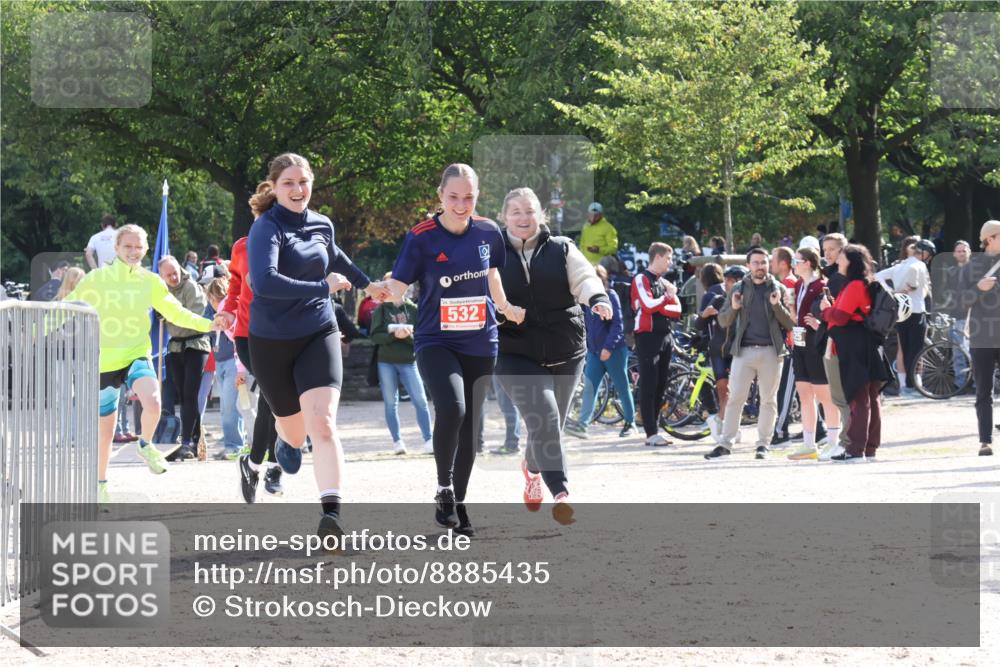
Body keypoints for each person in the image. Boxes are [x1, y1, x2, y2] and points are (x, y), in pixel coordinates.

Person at [244, 153, 387, 539]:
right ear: (274, 187)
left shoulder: (322, 223)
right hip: (271, 339)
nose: (297, 190)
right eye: (288, 183)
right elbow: (265, 283)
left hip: (318, 331)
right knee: (292, 433)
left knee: (322, 424)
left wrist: (366, 283)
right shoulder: (266, 228)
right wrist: (323, 286)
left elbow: (335, 256)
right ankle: (284, 443)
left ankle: (332, 514)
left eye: (303, 182)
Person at [385, 163, 524, 536]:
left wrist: (506, 307)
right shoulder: (421, 237)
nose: (461, 205)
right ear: (440, 196)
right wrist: (383, 287)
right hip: (436, 340)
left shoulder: (489, 232)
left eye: (469, 197)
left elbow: (492, 274)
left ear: (477, 197)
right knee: (453, 408)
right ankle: (444, 489)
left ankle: (457, 506)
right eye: (453, 197)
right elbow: (399, 285)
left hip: (481, 340)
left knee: (472, 427)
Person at [64, 224, 222, 503]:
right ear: (116, 248)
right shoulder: (96, 279)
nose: (134, 252)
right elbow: (69, 306)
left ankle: (145, 445)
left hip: (137, 353)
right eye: (128, 246)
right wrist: (35, 328)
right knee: (105, 432)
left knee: (153, 402)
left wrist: (209, 323)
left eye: (139, 247)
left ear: (146, 249)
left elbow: (176, 312)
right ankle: (100, 485)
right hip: (105, 360)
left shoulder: (150, 281)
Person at [493, 186, 609, 523]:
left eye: (529, 211)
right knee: (545, 418)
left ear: (540, 215)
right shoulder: (492, 252)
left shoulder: (561, 248)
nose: (523, 218)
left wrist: (597, 299)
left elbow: (585, 278)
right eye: (516, 212)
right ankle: (561, 492)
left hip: (565, 348)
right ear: (505, 217)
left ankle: (531, 470)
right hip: (514, 350)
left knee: (547, 424)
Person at [217, 183, 284, 502]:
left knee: (283, 404)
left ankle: (255, 464)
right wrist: (228, 312)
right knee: (275, 401)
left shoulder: (295, 243)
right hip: (248, 334)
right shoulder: (242, 247)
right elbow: (233, 288)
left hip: (288, 334)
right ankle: (270, 465)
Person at [704, 247, 796, 460]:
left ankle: (763, 445)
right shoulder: (738, 288)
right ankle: (725, 444)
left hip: (771, 352)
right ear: (748, 265)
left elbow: (790, 323)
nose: (760, 266)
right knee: (735, 398)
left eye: (763, 262)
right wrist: (734, 307)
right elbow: (723, 320)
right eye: (755, 263)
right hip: (743, 352)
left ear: (768, 264)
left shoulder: (779, 288)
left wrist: (776, 306)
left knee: (768, 401)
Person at [805, 244, 890, 462]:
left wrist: (825, 310)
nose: (837, 262)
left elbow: (841, 317)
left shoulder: (854, 285)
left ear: (850, 262)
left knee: (858, 397)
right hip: (864, 343)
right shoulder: (860, 283)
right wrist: (831, 310)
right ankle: (868, 447)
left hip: (853, 344)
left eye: (841, 258)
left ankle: (855, 449)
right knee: (869, 396)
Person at [566, 263, 636, 439]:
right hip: (594, 352)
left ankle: (630, 422)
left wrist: (608, 347)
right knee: (590, 387)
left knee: (622, 387)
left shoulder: (611, 296)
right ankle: (583, 425)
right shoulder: (586, 302)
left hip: (614, 351)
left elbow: (617, 325)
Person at [369, 272, 433, 455]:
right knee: (391, 403)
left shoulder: (413, 310)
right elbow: (374, 336)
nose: (389, 289)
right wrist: (392, 335)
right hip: (386, 363)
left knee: (420, 401)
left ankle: (428, 440)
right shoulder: (381, 310)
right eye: (387, 285)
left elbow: (422, 337)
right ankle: (397, 442)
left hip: (409, 362)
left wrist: (407, 337)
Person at [786, 247, 841, 460]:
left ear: (808, 263)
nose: (794, 264)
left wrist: (820, 324)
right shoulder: (799, 285)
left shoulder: (822, 286)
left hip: (816, 343)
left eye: (796, 260)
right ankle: (809, 445)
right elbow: (797, 315)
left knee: (825, 395)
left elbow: (832, 312)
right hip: (799, 343)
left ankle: (833, 441)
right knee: (805, 394)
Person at [158, 256, 211, 461]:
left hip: (196, 345)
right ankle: (195, 440)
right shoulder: (162, 290)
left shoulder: (191, 287)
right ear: (162, 275)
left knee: (190, 393)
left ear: (179, 269)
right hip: (176, 346)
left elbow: (194, 319)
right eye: (168, 275)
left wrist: (170, 316)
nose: (173, 277)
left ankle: (186, 441)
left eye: (175, 273)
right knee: (183, 396)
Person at [631, 242, 683, 447]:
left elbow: (677, 310)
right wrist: (665, 299)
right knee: (649, 383)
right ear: (659, 257)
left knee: (662, 383)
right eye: (668, 258)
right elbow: (647, 305)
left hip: (665, 336)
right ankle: (650, 433)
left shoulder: (664, 282)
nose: (670, 262)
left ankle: (656, 430)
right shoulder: (641, 278)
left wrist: (663, 301)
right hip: (647, 337)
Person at [959, 220, 1000, 456]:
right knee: (983, 390)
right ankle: (985, 441)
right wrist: (979, 289)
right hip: (981, 335)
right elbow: (961, 301)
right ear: (990, 238)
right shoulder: (971, 267)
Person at [876, 237, 931, 397]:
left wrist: (892, 291)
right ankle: (912, 385)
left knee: (905, 348)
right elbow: (923, 288)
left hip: (901, 312)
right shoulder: (919, 265)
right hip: (916, 310)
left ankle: (906, 386)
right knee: (915, 349)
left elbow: (878, 275)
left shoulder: (899, 266)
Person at [694, 263, 743, 443]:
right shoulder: (717, 299)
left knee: (736, 392)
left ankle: (728, 424)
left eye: (731, 281)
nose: (727, 284)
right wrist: (704, 315)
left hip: (738, 351)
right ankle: (722, 423)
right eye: (727, 280)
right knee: (723, 391)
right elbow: (698, 325)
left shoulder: (748, 302)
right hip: (718, 351)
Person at [205, 277, 245, 461]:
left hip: (231, 362)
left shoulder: (226, 310)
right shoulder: (223, 310)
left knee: (230, 407)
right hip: (224, 361)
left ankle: (234, 446)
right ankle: (235, 444)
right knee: (229, 406)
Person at [769, 247, 799, 445]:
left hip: (793, 343)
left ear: (783, 263)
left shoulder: (787, 283)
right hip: (793, 342)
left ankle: (781, 431)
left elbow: (792, 316)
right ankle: (820, 428)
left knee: (785, 389)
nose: (770, 263)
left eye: (773, 260)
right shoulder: (791, 282)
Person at [937, 240, 973, 389]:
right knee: (957, 352)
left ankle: (978, 383)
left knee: (973, 351)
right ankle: (960, 384)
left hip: (972, 315)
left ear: (969, 252)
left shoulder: (974, 270)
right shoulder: (951, 271)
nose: (961, 253)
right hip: (955, 315)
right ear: (954, 253)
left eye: (964, 251)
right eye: (959, 251)